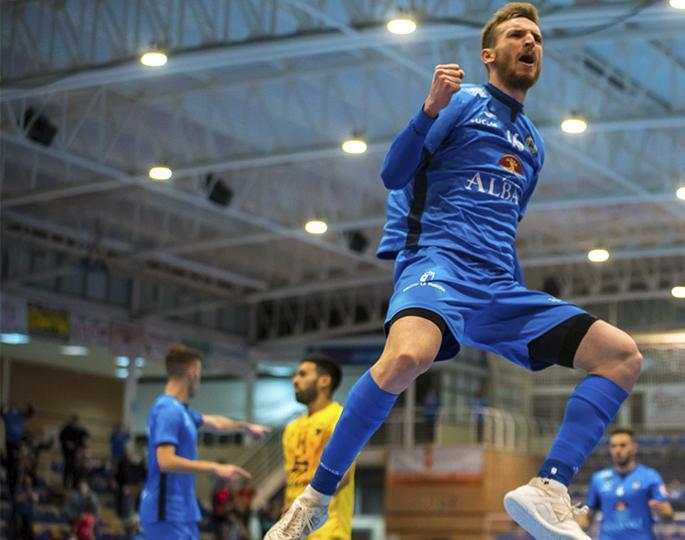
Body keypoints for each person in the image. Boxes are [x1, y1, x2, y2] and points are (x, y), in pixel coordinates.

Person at [266, 4, 644, 539]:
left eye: (537, 37)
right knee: (405, 358)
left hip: (499, 287)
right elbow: (394, 174)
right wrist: (426, 109)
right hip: (438, 265)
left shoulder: (533, 145)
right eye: (518, 34)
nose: (530, 42)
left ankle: (550, 487)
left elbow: (506, 226)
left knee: (621, 355)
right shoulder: (461, 104)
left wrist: (515, 289)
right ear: (490, 54)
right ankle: (315, 499)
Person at [139, 346, 269, 540]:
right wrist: (215, 468)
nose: (199, 380)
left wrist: (246, 427)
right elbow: (165, 461)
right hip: (166, 512)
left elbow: (215, 423)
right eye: (199, 374)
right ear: (193, 372)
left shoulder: (183, 412)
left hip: (183, 513)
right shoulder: (167, 409)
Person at [281, 357, 355, 539]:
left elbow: (344, 474)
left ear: (324, 381)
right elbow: (291, 477)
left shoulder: (340, 418)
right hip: (294, 530)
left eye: (303, 374)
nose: (295, 380)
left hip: (328, 530)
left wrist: (305, 506)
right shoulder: (291, 428)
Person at [577, 429, 673, 539]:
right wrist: (569, 527)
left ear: (634, 448)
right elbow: (588, 518)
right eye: (614, 446)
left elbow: (668, 514)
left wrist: (664, 511)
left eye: (623, 445)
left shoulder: (650, 476)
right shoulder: (598, 479)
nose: (618, 450)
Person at [59, 414, 89, 488]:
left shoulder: (78, 430)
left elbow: (86, 434)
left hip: (76, 453)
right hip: (68, 453)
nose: (77, 423)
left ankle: (74, 485)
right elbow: (62, 438)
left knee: (76, 469)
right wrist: (67, 443)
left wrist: (81, 448)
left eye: (77, 421)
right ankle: (65, 485)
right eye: (75, 421)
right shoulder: (66, 429)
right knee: (68, 468)